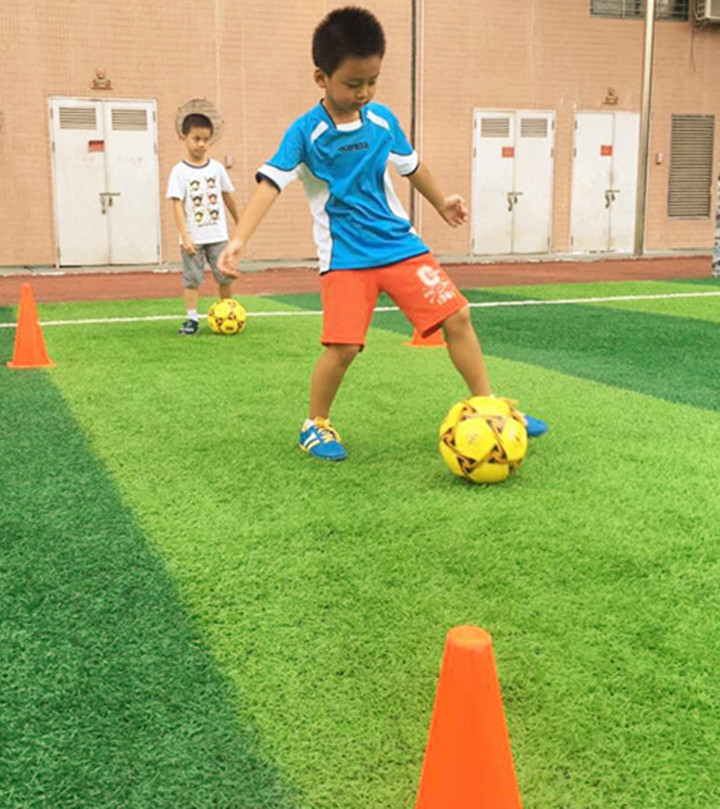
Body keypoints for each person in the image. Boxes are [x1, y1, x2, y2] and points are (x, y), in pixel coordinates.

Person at [219, 6, 548, 460]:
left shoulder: (382, 120)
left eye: (372, 82)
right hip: (346, 258)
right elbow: (269, 184)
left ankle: (489, 406)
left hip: (400, 246)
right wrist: (239, 239)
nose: (364, 93)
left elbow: (412, 166)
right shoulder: (305, 132)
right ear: (321, 78)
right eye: (353, 83)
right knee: (343, 346)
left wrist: (441, 202)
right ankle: (315, 425)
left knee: (457, 315)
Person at [167, 113, 239, 335]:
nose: (201, 144)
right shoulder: (179, 171)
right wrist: (185, 236)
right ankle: (192, 319)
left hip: (218, 235)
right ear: (184, 138)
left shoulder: (216, 168)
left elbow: (227, 195)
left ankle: (228, 312)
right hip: (193, 238)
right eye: (196, 139)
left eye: (206, 140)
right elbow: (177, 204)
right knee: (192, 279)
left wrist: (240, 221)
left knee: (224, 276)